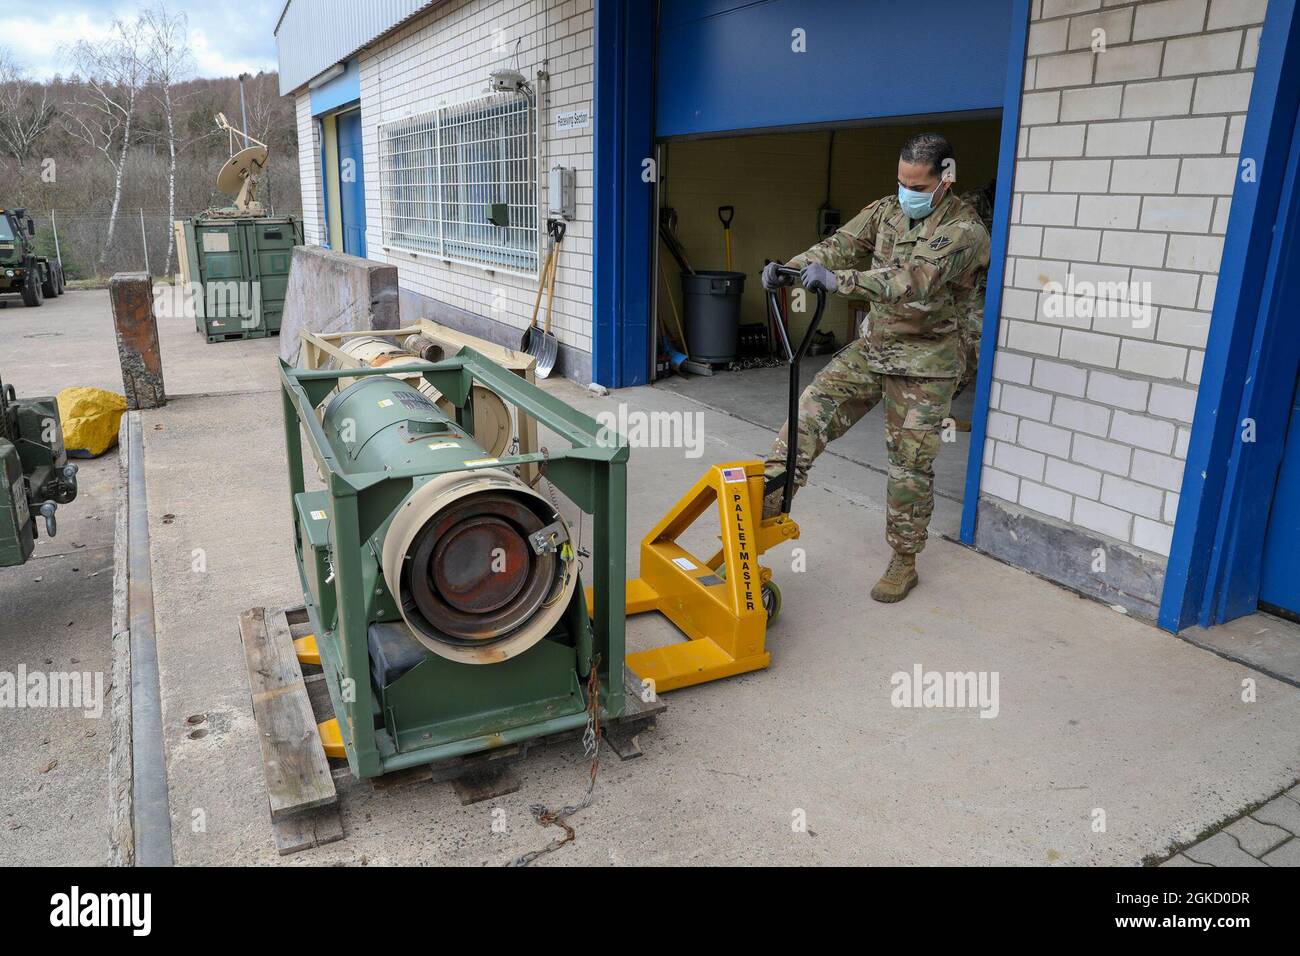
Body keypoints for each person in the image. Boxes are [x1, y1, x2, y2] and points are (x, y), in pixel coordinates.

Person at [761, 132, 990, 603]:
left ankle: (904, 560)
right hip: (877, 345)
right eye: (902, 181)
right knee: (808, 416)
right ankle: (763, 508)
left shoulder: (964, 231)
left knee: (909, 467)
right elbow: (843, 243)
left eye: (918, 186)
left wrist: (840, 280)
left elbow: (914, 280)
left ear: (945, 180)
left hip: (927, 363)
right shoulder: (887, 208)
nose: (908, 193)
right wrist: (791, 267)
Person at [951, 179, 996, 429]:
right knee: (978, 350)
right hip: (974, 289)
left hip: (997, 287)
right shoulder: (973, 202)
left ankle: (938, 410)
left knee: (972, 354)